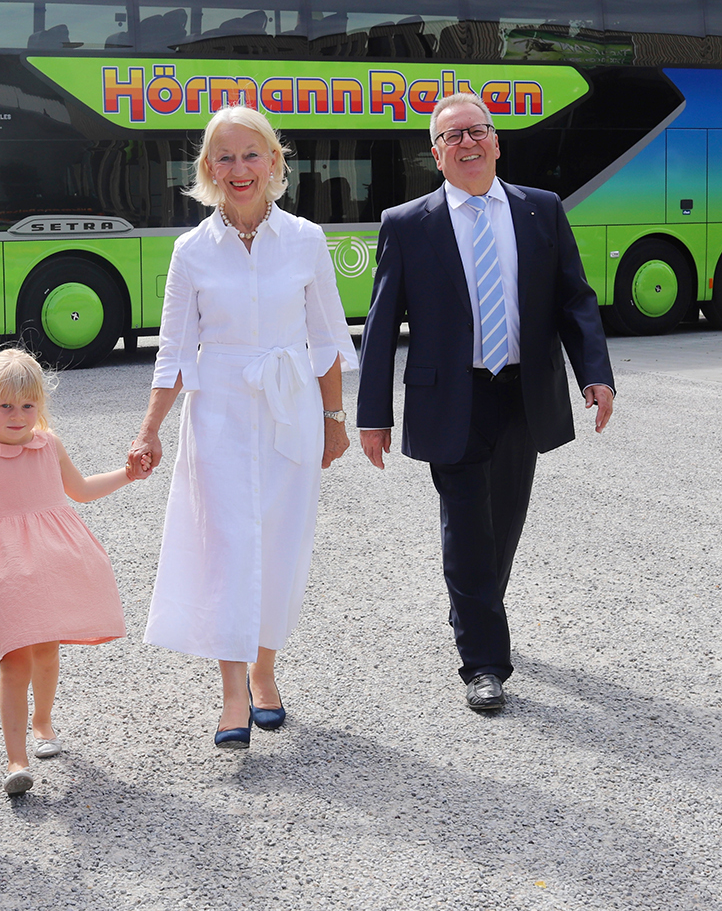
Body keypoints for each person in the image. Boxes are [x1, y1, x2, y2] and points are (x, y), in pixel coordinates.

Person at [355, 91, 616, 712]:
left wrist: (596, 375)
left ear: (497, 142)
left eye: (477, 131)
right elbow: (382, 321)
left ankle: (475, 609)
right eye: (452, 137)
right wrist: (371, 413)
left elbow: (574, 299)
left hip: (523, 392)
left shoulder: (541, 211)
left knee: (504, 524)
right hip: (452, 397)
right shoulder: (408, 223)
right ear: (436, 156)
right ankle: (483, 662)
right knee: (468, 525)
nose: (467, 143)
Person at [127, 105, 355, 750]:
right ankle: (232, 690)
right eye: (223, 157)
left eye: (251, 154)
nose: (238, 168)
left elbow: (326, 338)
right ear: (207, 170)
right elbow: (174, 348)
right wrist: (149, 430)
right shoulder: (190, 251)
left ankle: (264, 670)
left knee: (279, 542)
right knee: (225, 544)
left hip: (292, 411)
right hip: (220, 410)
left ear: (275, 162)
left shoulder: (307, 239)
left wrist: (335, 417)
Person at [0, 348, 138, 796]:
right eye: (6, 405)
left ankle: (42, 723)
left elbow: (80, 491)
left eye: (27, 406)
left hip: (55, 562)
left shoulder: (48, 443)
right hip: (7, 571)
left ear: (39, 405)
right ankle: (15, 759)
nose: (17, 416)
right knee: (13, 661)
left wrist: (127, 474)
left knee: (46, 652)